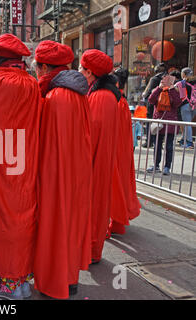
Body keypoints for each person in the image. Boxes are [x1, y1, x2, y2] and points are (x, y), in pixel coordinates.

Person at [0, 34, 42, 300]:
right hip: (26, 162)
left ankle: (9, 285)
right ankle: (23, 280)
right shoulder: (31, 83)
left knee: (2, 218)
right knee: (24, 215)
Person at [33, 41, 92, 299]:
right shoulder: (78, 94)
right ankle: (69, 278)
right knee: (71, 222)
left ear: (44, 67)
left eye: (37, 67)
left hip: (56, 173)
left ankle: (54, 280)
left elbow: (45, 141)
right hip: (77, 171)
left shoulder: (54, 96)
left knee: (55, 223)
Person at [79, 49, 121, 264]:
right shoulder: (106, 95)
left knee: (93, 204)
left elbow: (90, 134)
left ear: (89, 73)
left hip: (95, 162)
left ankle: (91, 250)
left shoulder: (99, 97)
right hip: (100, 160)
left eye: (81, 68)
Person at [108, 68, 141, 237]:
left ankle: (116, 220)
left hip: (115, 148)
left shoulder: (115, 101)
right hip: (122, 149)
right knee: (120, 181)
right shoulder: (122, 101)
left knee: (114, 183)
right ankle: (118, 220)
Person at [146, 74, 181, 175]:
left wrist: (172, 89)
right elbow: (151, 100)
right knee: (157, 145)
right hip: (158, 122)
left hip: (170, 123)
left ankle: (167, 167)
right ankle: (156, 165)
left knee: (169, 146)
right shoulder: (158, 90)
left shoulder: (174, 91)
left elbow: (177, 103)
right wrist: (158, 88)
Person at [142, 63, 167, 148]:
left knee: (150, 122)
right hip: (164, 105)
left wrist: (144, 95)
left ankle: (149, 141)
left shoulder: (154, 79)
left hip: (153, 104)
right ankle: (158, 142)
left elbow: (148, 93)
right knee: (160, 124)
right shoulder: (168, 79)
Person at [175, 67, 195, 149]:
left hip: (186, 105)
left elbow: (174, 89)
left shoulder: (181, 83)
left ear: (183, 74)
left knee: (187, 124)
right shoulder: (194, 82)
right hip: (194, 105)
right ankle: (184, 139)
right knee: (188, 123)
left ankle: (189, 142)